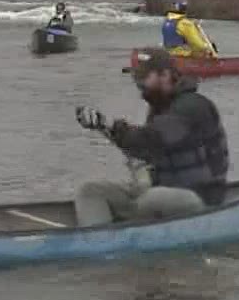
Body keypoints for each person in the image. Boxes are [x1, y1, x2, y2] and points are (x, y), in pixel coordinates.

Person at [73, 48, 230, 227]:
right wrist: (101, 127)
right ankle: (97, 240)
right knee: (90, 192)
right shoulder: (158, 108)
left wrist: (114, 127)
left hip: (200, 198)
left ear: (165, 75)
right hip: (158, 193)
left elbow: (154, 139)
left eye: (143, 77)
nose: (138, 83)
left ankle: (119, 234)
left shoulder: (193, 106)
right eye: (135, 77)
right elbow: (140, 150)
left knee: (152, 198)